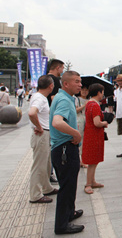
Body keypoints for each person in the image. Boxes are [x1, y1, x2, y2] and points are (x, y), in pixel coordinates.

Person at [49, 71, 84, 235]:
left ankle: (70, 213)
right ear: (66, 84)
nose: (80, 84)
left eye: (80, 81)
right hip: (65, 149)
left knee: (70, 185)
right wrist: (75, 133)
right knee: (66, 187)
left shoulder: (64, 97)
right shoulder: (63, 99)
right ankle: (62, 225)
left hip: (63, 148)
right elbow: (57, 122)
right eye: (76, 81)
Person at [28, 76, 57, 204]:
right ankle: (35, 194)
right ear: (51, 86)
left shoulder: (40, 97)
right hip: (42, 134)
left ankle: (46, 187)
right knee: (39, 165)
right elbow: (32, 113)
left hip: (45, 134)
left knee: (46, 163)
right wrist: (39, 127)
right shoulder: (40, 98)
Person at [82, 84, 108, 195]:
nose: (102, 94)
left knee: (94, 159)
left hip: (90, 134)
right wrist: (105, 123)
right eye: (102, 92)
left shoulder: (89, 104)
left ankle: (92, 181)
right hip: (94, 135)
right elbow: (97, 123)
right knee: (93, 161)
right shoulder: (95, 105)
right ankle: (88, 184)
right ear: (98, 93)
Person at [75, 86, 89, 167]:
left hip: (87, 121)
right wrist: (84, 105)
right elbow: (75, 110)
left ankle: (83, 159)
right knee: (80, 139)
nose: (84, 92)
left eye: (86, 90)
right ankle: (80, 160)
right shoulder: (77, 99)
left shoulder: (89, 99)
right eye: (83, 90)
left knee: (85, 140)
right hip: (79, 121)